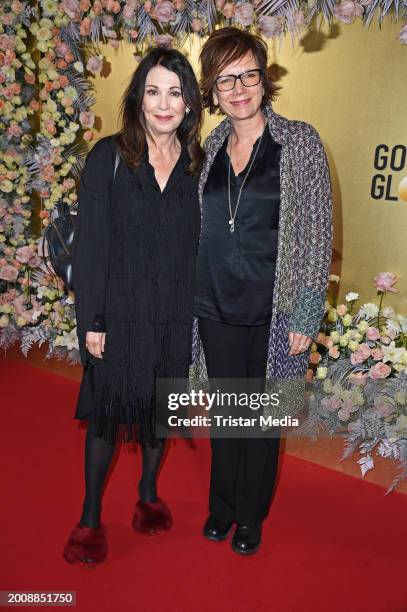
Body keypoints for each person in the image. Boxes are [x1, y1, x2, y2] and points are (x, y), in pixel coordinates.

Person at [192, 27, 333, 556]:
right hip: (215, 306)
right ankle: (222, 505)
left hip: (275, 312)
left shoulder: (299, 141)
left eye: (248, 73)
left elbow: (318, 233)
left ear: (263, 77)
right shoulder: (208, 147)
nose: (239, 87)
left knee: (265, 419)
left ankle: (250, 515)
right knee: (228, 415)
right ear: (212, 88)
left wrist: (305, 313)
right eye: (225, 79)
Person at [63, 47, 203, 565]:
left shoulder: (196, 163)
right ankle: (89, 518)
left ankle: (147, 496)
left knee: (158, 414)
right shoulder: (110, 157)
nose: (164, 103)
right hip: (117, 314)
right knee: (106, 415)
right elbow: (92, 246)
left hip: (172, 313)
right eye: (153, 91)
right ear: (138, 98)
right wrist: (92, 322)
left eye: (175, 92)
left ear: (189, 102)